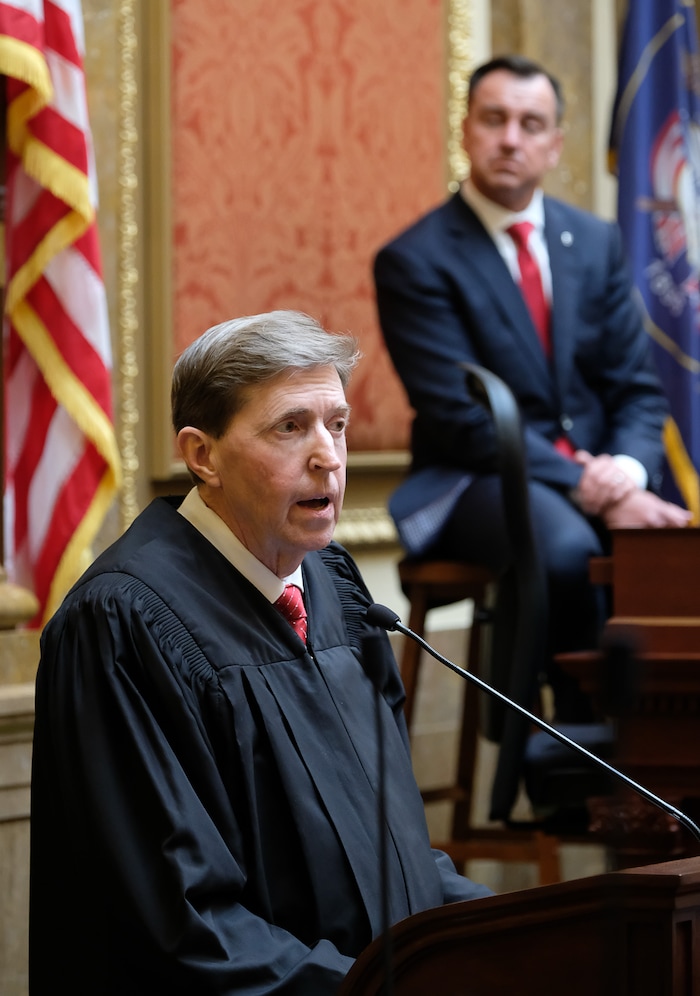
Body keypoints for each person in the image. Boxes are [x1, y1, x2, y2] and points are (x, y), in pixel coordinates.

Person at [29, 310, 490, 996]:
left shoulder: (336, 587)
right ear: (201, 454)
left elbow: (395, 852)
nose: (329, 456)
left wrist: (505, 936)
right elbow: (177, 920)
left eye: (336, 423)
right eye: (290, 427)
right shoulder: (122, 625)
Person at [373, 54, 692, 813]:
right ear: (466, 131)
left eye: (531, 124)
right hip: (471, 479)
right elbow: (462, 419)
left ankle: (667, 757)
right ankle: (568, 758)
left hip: (587, 477)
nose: (510, 138)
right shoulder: (415, 259)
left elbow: (638, 394)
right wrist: (592, 489)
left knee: (673, 548)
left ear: (554, 144)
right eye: (494, 120)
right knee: (567, 545)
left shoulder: (595, 242)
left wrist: (629, 473)